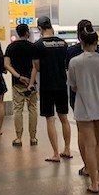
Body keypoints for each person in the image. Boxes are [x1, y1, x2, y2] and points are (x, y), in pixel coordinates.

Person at [67, 23, 99, 193]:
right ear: (96, 41)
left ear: (81, 41)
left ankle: (93, 182)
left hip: (83, 107)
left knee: (89, 144)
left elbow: (73, 86)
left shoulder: (74, 62)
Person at [31, 16, 73, 163]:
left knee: (50, 119)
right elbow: (67, 64)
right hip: (62, 84)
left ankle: (56, 153)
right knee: (64, 118)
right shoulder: (63, 43)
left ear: (40, 29)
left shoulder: (37, 45)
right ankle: (67, 148)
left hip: (47, 86)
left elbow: (37, 67)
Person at [5, 23, 37, 146]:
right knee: (32, 109)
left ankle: (18, 138)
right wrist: (31, 81)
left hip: (17, 83)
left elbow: (7, 64)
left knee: (17, 109)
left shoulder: (11, 47)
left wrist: (18, 76)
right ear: (27, 32)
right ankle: (33, 137)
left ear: (18, 33)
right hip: (32, 82)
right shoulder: (33, 47)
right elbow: (36, 66)